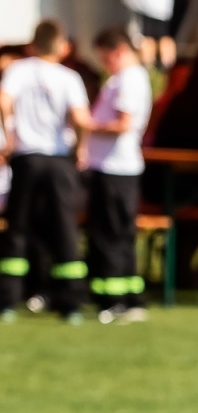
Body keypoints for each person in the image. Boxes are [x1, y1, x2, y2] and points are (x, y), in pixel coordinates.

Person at [0, 19, 91, 325]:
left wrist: (10, 132)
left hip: (26, 158)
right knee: (65, 229)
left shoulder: (18, 71)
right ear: (62, 46)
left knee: (18, 229)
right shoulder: (69, 77)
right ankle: (71, 302)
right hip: (58, 159)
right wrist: (80, 147)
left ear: (32, 44)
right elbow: (81, 117)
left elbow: (3, 101)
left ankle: (8, 301)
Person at [82, 26, 152, 326]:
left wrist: (86, 124)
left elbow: (124, 124)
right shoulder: (124, 78)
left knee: (111, 234)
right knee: (116, 233)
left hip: (116, 167)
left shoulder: (130, 79)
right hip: (112, 166)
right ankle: (124, 296)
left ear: (119, 51)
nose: (103, 64)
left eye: (105, 57)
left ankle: (116, 299)